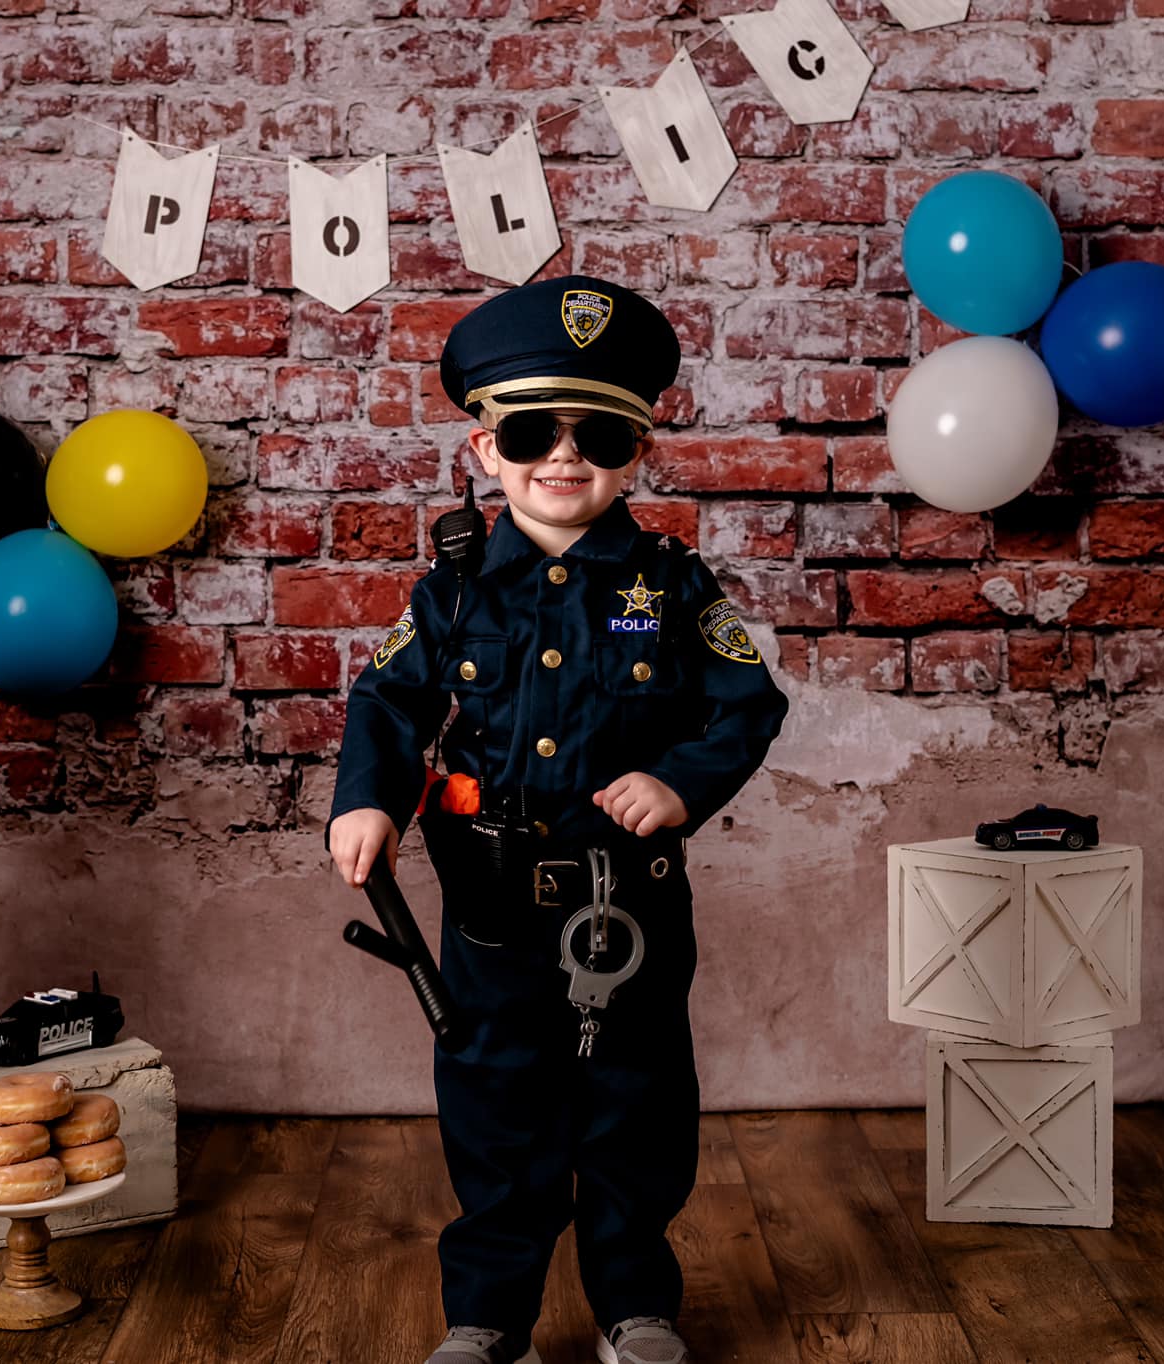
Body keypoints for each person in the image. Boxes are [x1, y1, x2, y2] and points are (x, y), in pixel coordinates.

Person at [327, 274, 789, 1364]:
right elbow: (388, 699)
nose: (563, 457)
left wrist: (679, 781)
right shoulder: (450, 593)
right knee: (496, 1110)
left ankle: (637, 1307)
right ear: (484, 449)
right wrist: (367, 799)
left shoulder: (670, 585)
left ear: (638, 450)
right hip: (491, 911)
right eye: (531, 430)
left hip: (626, 901)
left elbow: (746, 702)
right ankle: (488, 1317)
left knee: (633, 1106)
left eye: (602, 435)